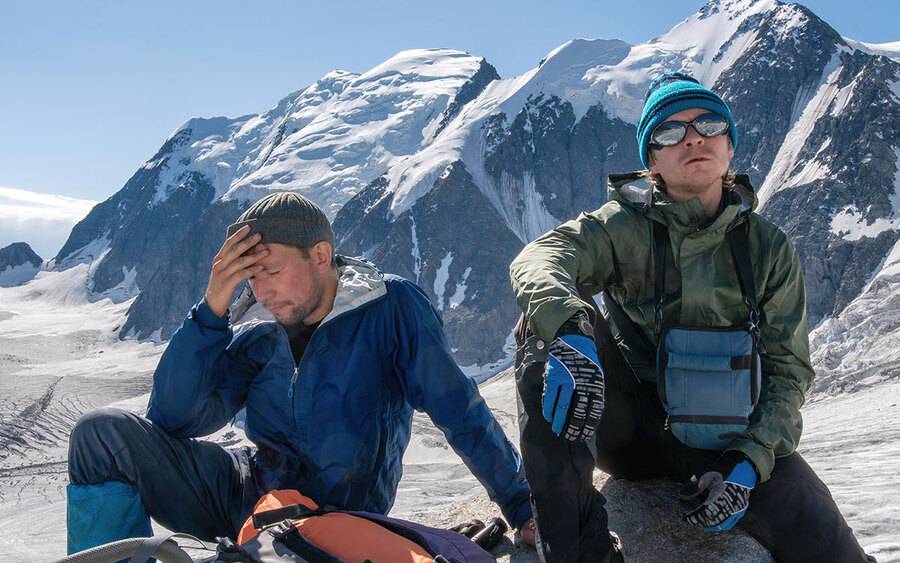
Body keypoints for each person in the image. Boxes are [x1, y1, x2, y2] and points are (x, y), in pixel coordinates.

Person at [509, 72, 874, 563]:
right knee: (543, 327)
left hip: (724, 436)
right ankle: (579, 554)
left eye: (708, 123)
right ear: (652, 160)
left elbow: (789, 370)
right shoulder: (623, 226)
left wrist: (749, 460)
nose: (692, 138)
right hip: (632, 433)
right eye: (669, 131)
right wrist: (571, 331)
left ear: (729, 146)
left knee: (830, 546)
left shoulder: (767, 247)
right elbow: (540, 259)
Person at [66, 192, 534, 553]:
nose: (261, 291)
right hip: (247, 490)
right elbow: (174, 419)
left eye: (270, 271)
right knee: (99, 435)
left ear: (321, 256)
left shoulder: (389, 307)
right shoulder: (257, 328)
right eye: (250, 277)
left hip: (330, 514)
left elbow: (459, 408)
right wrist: (211, 310)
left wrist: (520, 505)